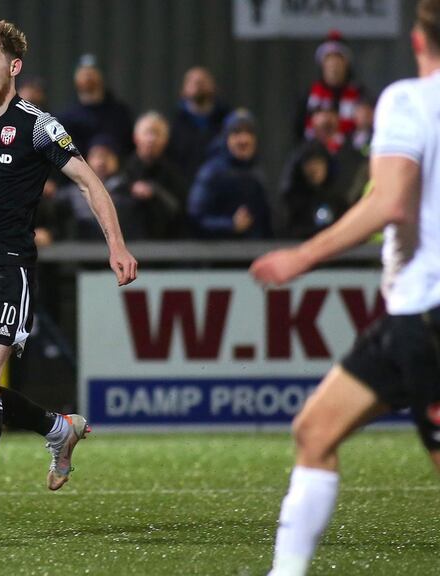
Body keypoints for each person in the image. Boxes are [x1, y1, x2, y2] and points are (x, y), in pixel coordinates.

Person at [0, 20, 137, 530]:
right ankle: (58, 430)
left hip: (8, 269)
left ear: (13, 67)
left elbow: (88, 183)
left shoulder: (39, 125)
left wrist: (117, 246)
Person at [251, 3, 440, 574]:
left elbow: (389, 201)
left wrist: (302, 256)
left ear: (416, 38)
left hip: (427, 310)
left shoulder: (409, 99)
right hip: (410, 314)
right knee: (315, 428)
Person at [188, 109, 272, 239]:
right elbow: (195, 217)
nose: (244, 139)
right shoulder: (211, 172)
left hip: (254, 253)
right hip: (217, 255)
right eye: (237, 132)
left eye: (249, 133)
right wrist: (230, 225)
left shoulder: (257, 172)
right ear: (226, 138)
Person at [114, 112, 186, 239]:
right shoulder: (121, 169)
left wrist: (155, 192)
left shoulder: (175, 174)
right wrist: (131, 189)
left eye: (157, 133)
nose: (151, 139)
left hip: (164, 245)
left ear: (166, 140)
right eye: (147, 133)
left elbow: (178, 210)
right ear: (135, 137)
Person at [56, 54, 135, 158]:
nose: (88, 77)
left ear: (101, 75)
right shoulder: (66, 118)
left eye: (92, 72)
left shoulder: (120, 113)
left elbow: (129, 147)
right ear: (75, 77)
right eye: (83, 73)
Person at [295, 30, 365, 143]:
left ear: (346, 63)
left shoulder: (360, 95)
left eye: (338, 58)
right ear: (322, 63)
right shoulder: (309, 94)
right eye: (329, 58)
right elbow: (298, 130)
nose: (333, 64)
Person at [166, 67, 231, 186]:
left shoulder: (227, 121)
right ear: (183, 89)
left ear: (213, 86)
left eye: (203, 81)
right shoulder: (173, 123)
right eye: (192, 81)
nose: (198, 84)